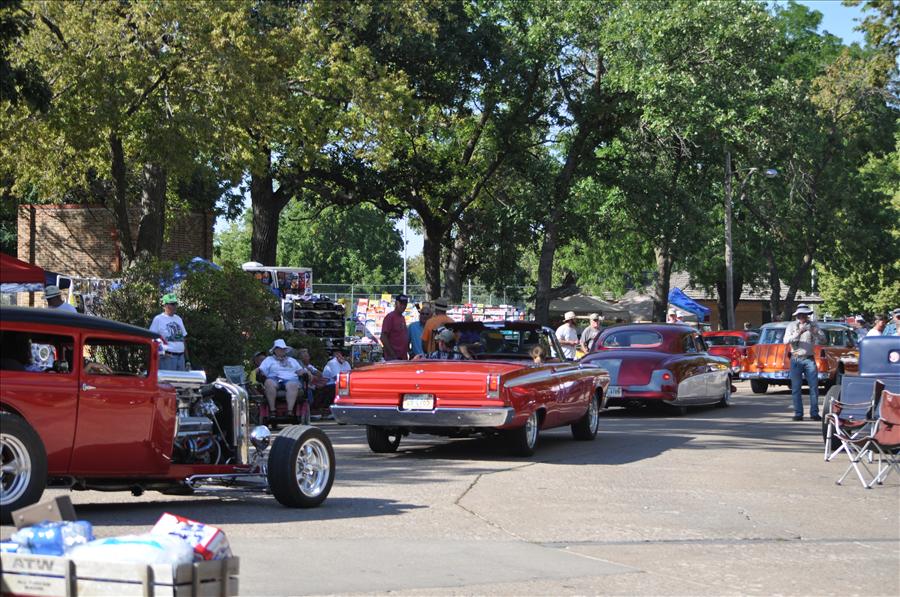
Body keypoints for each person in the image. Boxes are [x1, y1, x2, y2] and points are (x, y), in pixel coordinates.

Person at [783, 304, 825, 421]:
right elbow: (785, 341)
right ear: (797, 315)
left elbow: (823, 339)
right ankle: (798, 413)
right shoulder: (792, 326)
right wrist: (799, 332)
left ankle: (814, 413)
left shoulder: (813, 325)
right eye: (800, 315)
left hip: (809, 358)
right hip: (796, 358)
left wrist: (814, 331)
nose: (803, 317)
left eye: (805, 315)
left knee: (814, 387)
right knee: (796, 388)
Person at [256, 339, 304, 418]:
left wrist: (305, 372)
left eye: (283, 349)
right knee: (268, 383)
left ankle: (290, 411)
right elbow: (261, 370)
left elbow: (300, 370)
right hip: (274, 378)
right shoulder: (268, 360)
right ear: (275, 350)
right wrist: (259, 372)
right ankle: (272, 410)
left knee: (292, 385)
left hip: (290, 379)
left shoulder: (292, 360)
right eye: (279, 348)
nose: (282, 350)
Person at [149, 293, 188, 371]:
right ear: (165, 305)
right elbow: (151, 338)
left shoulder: (178, 319)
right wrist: (161, 352)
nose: (175, 306)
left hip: (181, 358)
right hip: (167, 358)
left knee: (180, 379)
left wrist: (187, 359)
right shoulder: (158, 319)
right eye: (172, 304)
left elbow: (183, 338)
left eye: (175, 304)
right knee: (168, 379)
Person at [381, 294, 410, 360]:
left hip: (402, 357)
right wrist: (392, 354)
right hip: (393, 358)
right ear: (396, 303)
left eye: (405, 304)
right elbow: (383, 337)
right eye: (401, 304)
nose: (403, 306)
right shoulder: (390, 317)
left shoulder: (402, 317)